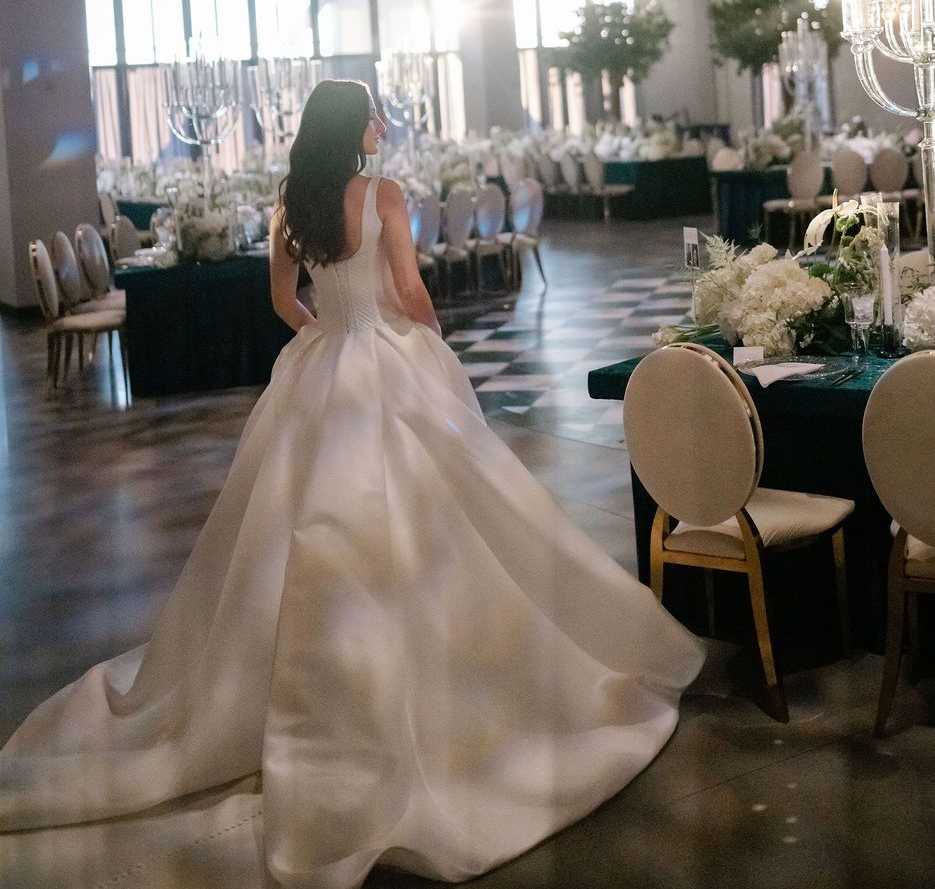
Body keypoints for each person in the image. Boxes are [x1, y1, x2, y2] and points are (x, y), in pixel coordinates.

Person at [0, 80, 703, 887]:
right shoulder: (384, 192)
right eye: (373, 112)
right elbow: (409, 289)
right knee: (436, 516)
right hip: (386, 358)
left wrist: (328, 337)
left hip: (324, 361)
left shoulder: (290, 201)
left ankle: (303, 678)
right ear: (356, 127)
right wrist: (427, 346)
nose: (381, 123)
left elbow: (279, 299)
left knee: (293, 523)